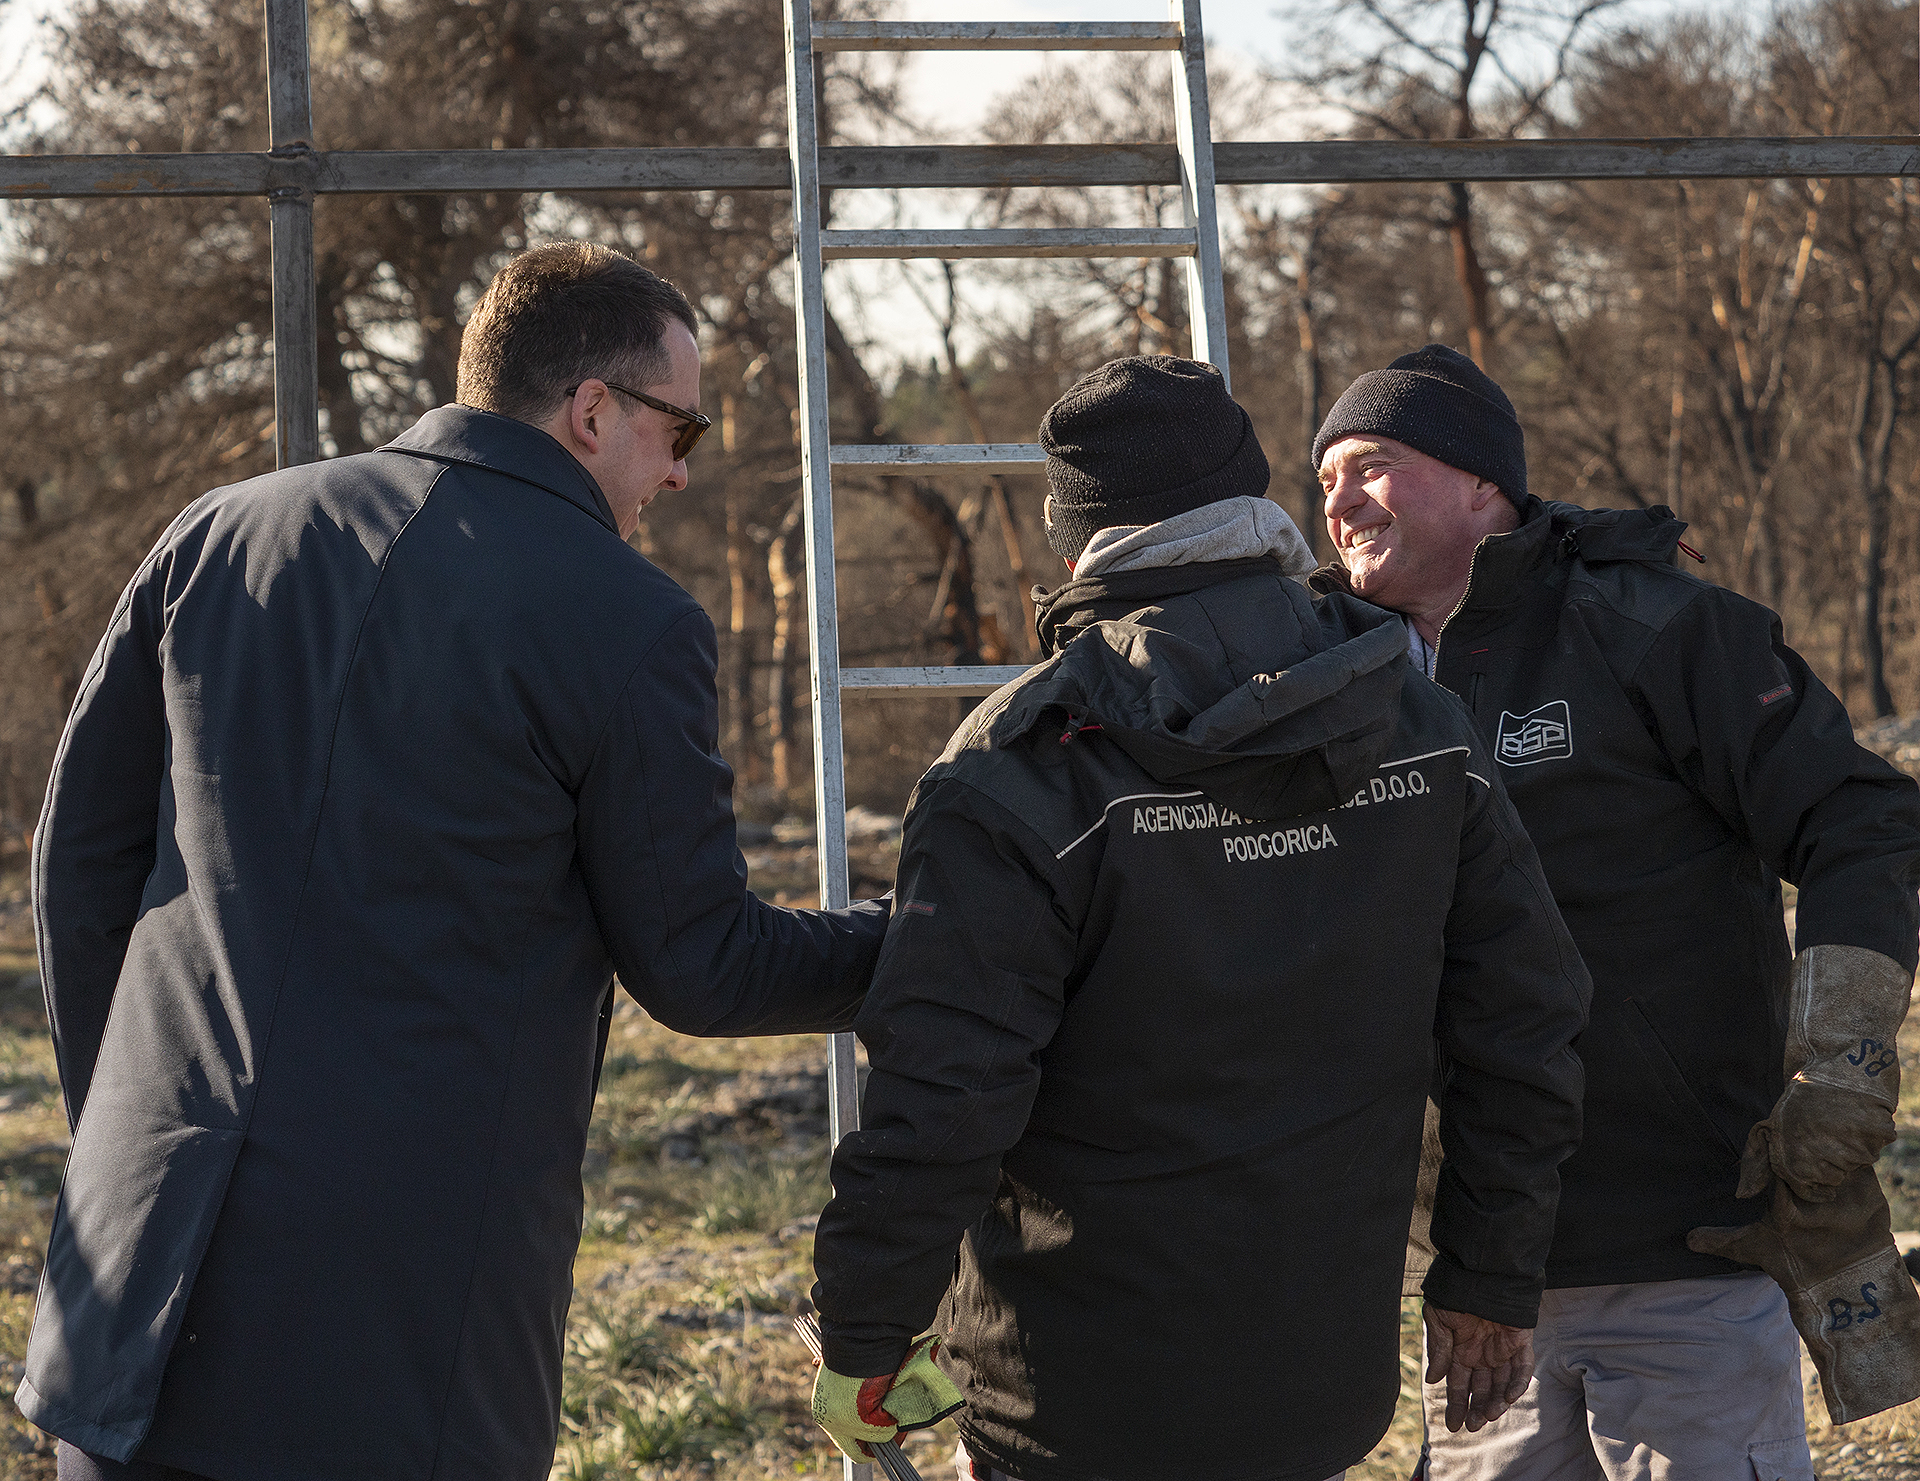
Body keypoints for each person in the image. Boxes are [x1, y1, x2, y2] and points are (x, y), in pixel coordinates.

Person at [23, 242, 888, 1481]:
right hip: (399, 1339)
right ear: (593, 411)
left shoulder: (218, 532)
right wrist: (926, 937)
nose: (682, 474)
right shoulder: (631, 620)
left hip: (134, 1295)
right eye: (679, 430)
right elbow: (701, 963)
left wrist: (130, 1128)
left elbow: (81, 868)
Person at [806, 356, 1592, 1481]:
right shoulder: (1414, 715)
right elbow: (1526, 1018)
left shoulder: (1021, 764)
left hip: (1073, 1406)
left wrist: (866, 1332)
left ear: (1077, 547)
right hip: (1322, 1390)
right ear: (1256, 508)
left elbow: (946, 1096)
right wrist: (1489, 1276)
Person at [1310, 343, 1920, 1481]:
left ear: (1481, 483)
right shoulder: (1323, 681)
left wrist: (1841, 1060)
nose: (1337, 503)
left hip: (1685, 1243)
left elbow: (1861, 818)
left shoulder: (1653, 626)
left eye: (1372, 465)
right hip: (1472, 1272)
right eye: (1325, 479)